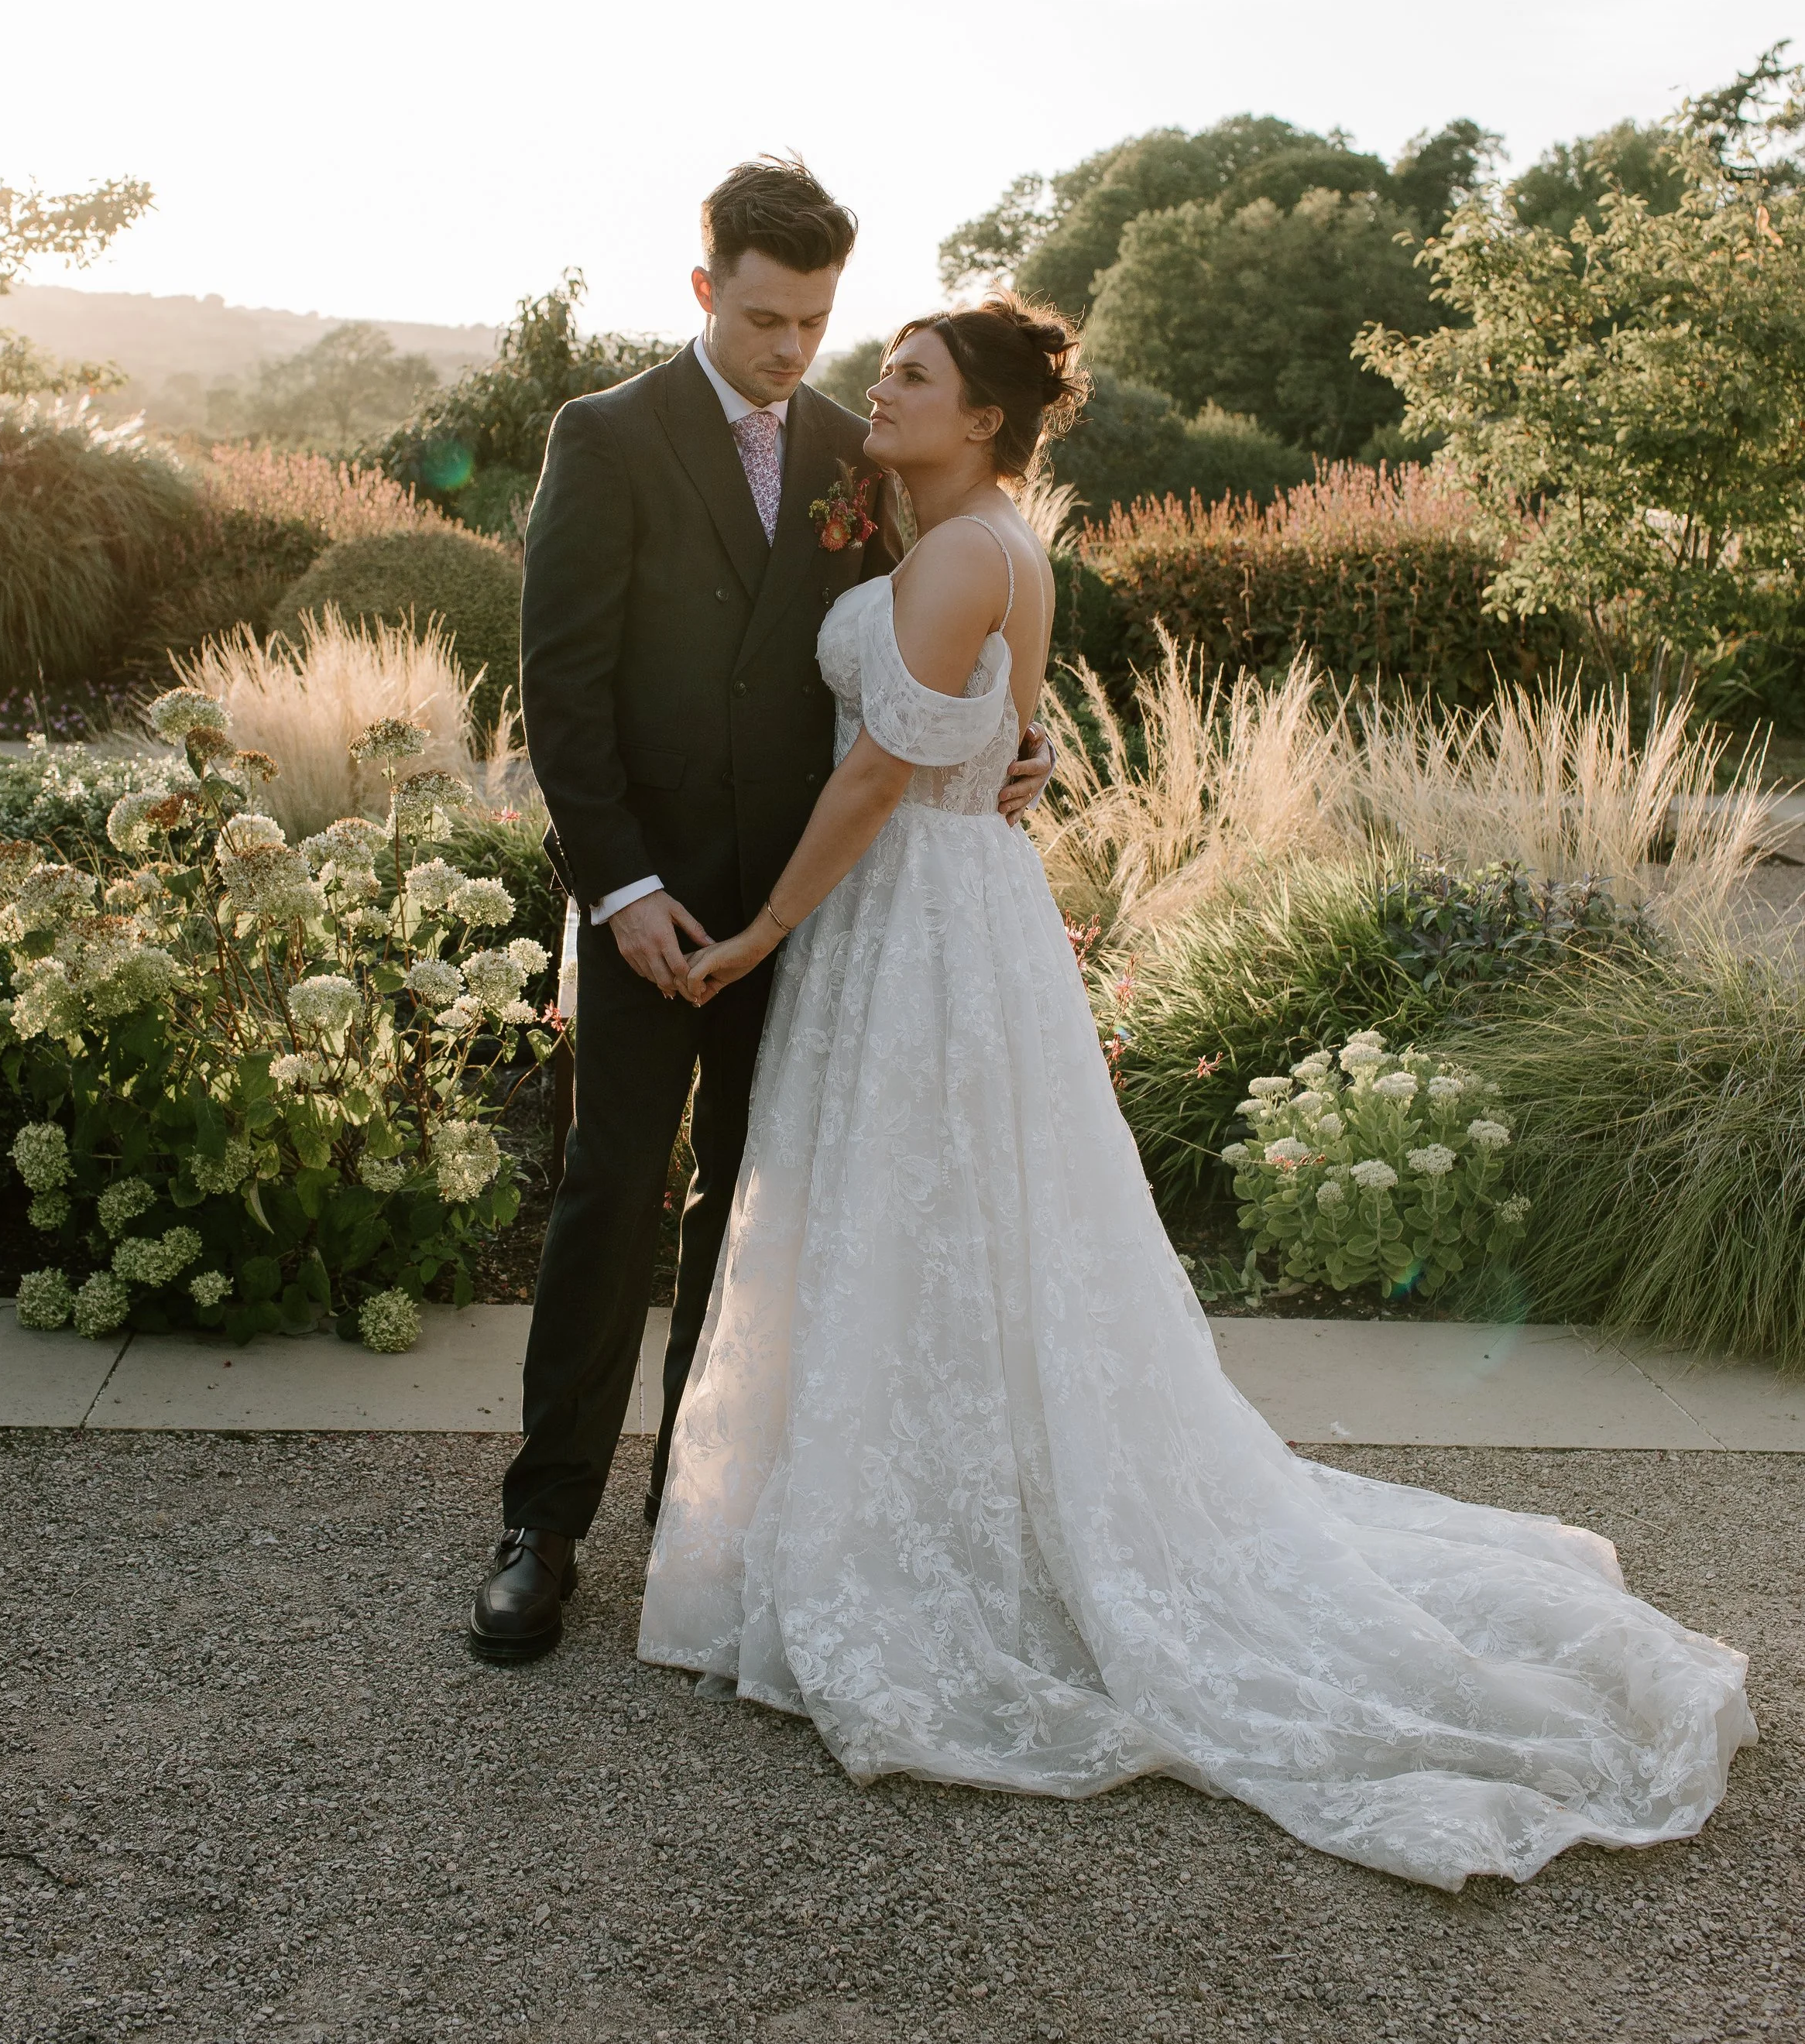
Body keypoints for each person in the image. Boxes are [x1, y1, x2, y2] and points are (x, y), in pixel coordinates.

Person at [637, 293, 1755, 1890]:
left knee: (917, 1213)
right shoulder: (976, 541)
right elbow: (1003, 740)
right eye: (879, 362)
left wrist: (754, 930)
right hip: (953, 915)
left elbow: (879, 773)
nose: (874, 385)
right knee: (951, 1226)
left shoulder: (960, 557)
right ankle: (919, 1508)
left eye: (909, 373)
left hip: (916, 923)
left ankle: (927, 1549)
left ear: (982, 420)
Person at [470, 162, 1053, 1664]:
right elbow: (562, 692)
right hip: (645, 909)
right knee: (609, 1197)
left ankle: (699, 1517)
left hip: (812, 909)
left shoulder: (861, 454)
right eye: (764, 315)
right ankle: (545, 1526)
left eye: (815, 321)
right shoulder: (600, 438)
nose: (793, 349)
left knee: (749, 1210)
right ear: (702, 288)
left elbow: (943, 621)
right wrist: (624, 890)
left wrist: (1018, 735)